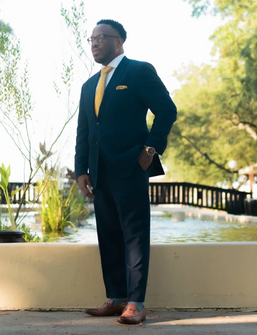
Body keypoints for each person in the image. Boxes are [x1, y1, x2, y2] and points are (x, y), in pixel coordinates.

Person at [74, 19, 177, 325]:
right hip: (99, 173)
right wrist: (81, 169)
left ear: (118, 41)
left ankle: (136, 302)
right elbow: (84, 130)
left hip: (131, 166)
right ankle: (116, 297)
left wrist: (150, 149)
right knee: (107, 235)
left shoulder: (139, 71)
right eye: (91, 39)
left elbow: (167, 110)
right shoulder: (88, 85)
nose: (94, 43)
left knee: (134, 236)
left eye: (101, 37)